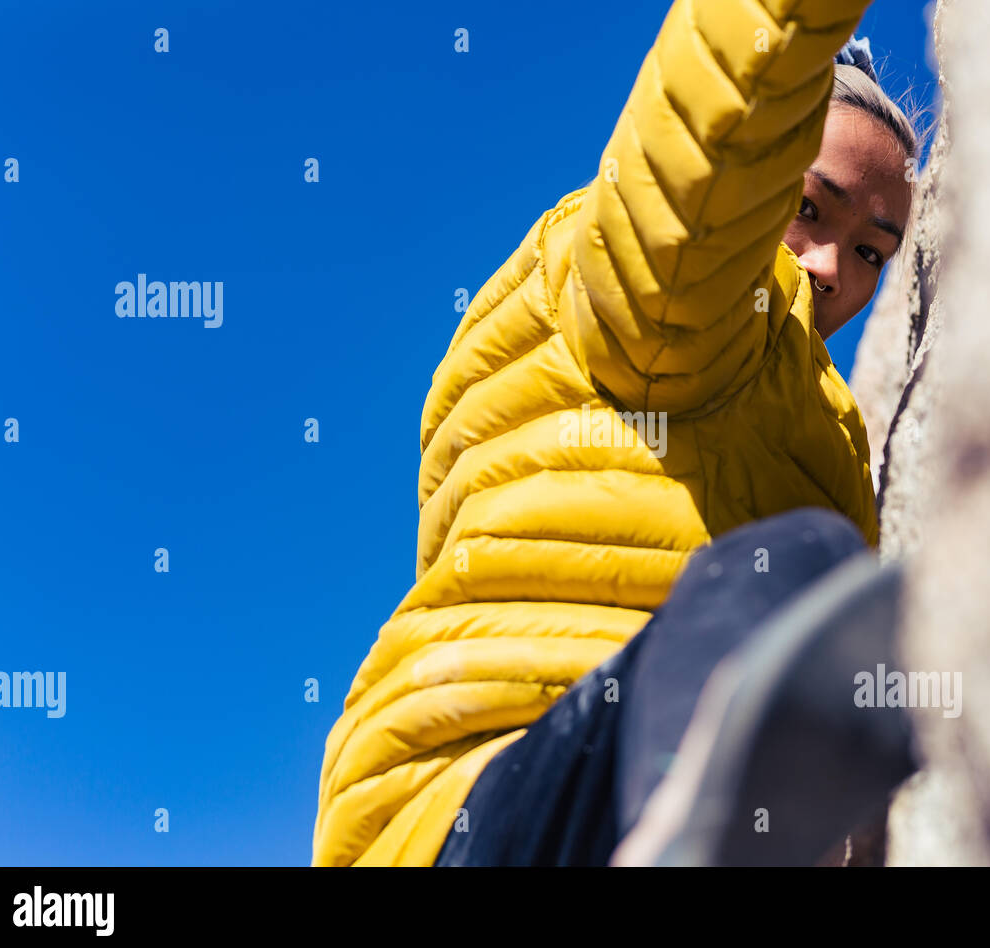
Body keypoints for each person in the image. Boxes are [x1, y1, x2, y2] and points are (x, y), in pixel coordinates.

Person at [312, 0, 919, 867]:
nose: (830, 267)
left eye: (870, 251)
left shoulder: (832, 435)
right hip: (487, 799)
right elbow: (712, 134)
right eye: (808, 208)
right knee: (792, 579)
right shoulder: (645, 291)